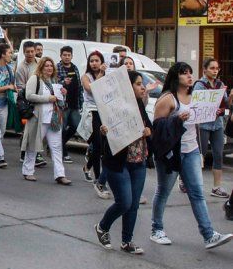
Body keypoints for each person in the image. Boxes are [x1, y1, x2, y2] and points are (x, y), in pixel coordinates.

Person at [150, 63, 233, 249]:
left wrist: (201, 152)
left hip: (192, 150)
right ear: (175, 76)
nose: (189, 76)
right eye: (184, 73)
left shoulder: (195, 97)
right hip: (171, 153)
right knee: (163, 191)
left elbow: (196, 125)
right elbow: (158, 129)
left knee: (197, 193)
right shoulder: (167, 99)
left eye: (190, 73)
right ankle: (156, 229)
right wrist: (177, 119)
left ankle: (209, 235)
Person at [94, 70, 152, 254]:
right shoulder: (110, 107)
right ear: (127, 87)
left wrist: (148, 131)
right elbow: (99, 135)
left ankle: (127, 241)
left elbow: (149, 125)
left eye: (142, 83)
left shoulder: (139, 105)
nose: (142, 87)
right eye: (138, 83)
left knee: (134, 204)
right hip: (118, 162)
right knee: (125, 202)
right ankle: (103, 226)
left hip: (139, 161)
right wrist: (103, 132)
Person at [21, 57, 70, 185]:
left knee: (57, 147)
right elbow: (29, 95)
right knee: (33, 145)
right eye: (46, 65)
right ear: (41, 67)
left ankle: (60, 174)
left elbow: (59, 101)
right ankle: (28, 171)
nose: (49, 68)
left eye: (51, 66)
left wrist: (63, 94)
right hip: (39, 118)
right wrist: (48, 98)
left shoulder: (54, 81)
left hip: (54, 119)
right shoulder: (35, 79)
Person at [194, 58, 229, 198]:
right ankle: (188, 180)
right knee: (199, 155)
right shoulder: (199, 84)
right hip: (203, 124)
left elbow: (225, 103)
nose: (215, 71)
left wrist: (229, 97)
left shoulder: (220, 84)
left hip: (217, 124)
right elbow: (197, 103)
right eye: (212, 68)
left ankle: (216, 187)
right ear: (205, 70)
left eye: (217, 68)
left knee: (218, 154)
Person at [81, 51, 111, 198]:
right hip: (91, 112)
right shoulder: (86, 77)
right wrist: (101, 74)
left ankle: (87, 167)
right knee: (98, 145)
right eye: (91, 61)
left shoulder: (108, 75)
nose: (94, 63)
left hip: (104, 112)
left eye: (97, 60)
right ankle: (99, 180)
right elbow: (92, 89)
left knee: (102, 146)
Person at [57, 46, 83, 164]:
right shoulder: (57, 67)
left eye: (69, 55)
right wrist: (63, 82)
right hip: (63, 105)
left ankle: (59, 144)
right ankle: (64, 153)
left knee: (75, 126)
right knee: (62, 129)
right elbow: (54, 84)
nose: (67, 57)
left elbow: (79, 86)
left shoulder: (75, 67)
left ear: (72, 56)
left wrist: (81, 101)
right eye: (64, 55)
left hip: (75, 103)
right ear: (61, 56)